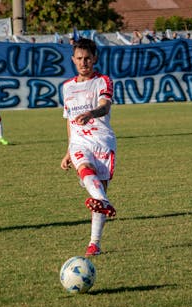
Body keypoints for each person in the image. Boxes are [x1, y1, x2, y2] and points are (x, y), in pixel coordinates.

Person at [60, 38, 117, 257]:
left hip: (102, 140)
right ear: (73, 60)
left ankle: (94, 243)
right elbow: (68, 119)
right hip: (79, 142)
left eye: (87, 58)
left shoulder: (103, 81)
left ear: (95, 59)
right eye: (79, 59)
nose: (83, 63)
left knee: (98, 195)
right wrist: (68, 149)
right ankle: (105, 202)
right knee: (84, 170)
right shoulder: (67, 87)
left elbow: (105, 106)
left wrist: (91, 113)